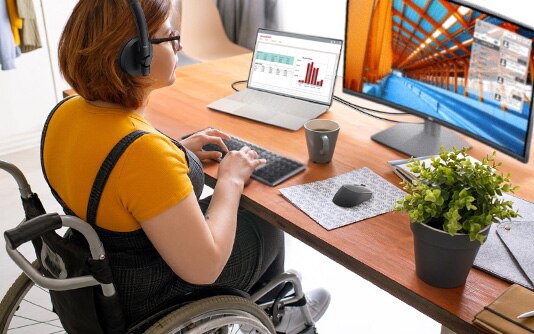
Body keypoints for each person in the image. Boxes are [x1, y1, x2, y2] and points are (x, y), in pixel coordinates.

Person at [41, 0, 330, 332]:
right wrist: (231, 180)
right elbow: (204, 269)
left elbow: (113, 171)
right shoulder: (143, 154)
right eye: (169, 36)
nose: (180, 44)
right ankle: (284, 316)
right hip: (146, 294)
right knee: (264, 221)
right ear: (137, 56)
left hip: (102, 269)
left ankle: (277, 310)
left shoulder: (66, 112)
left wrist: (175, 150)